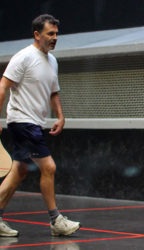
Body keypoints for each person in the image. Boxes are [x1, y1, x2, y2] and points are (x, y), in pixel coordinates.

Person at [0, 14, 80, 237]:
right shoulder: (23, 57)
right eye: (50, 34)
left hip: (35, 123)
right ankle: (56, 220)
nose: (54, 38)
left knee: (20, 170)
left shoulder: (52, 61)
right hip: (21, 122)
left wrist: (61, 116)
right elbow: (3, 86)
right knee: (49, 167)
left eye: (56, 34)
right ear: (37, 35)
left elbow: (54, 91)